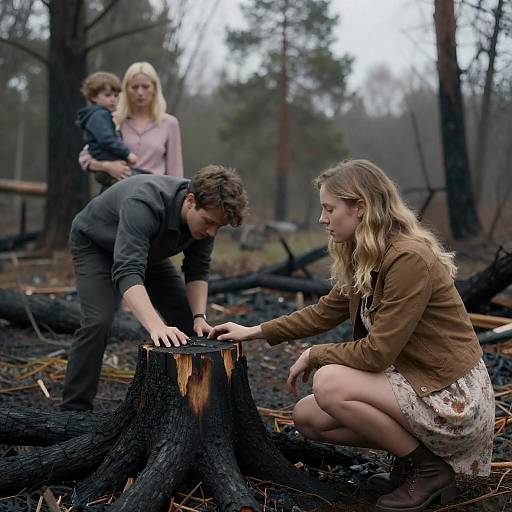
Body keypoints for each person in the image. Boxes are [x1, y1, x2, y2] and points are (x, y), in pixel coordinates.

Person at [209, 159, 494, 512]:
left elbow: (378, 354)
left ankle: (430, 470)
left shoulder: (408, 258)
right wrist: (253, 331)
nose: (322, 219)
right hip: (417, 383)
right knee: (308, 417)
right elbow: (324, 311)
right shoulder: (367, 253)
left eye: (329, 209)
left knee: (329, 383)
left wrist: (316, 355)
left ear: (360, 207)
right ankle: (412, 461)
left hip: (451, 395)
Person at [61, 165, 248, 412]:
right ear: (191, 201)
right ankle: (75, 408)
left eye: (218, 227)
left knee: (188, 323)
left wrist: (199, 317)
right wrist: (156, 326)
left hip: (146, 253)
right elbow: (127, 271)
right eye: (209, 222)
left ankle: (190, 405)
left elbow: (197, 270)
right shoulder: (144, 203)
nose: (212, 231)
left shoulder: (207, 217)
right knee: (99, 321)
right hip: (96, 245)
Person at [79, 61, 183, 186]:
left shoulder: (169, 123)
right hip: (117, 191)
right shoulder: (111, 119)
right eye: (134, 87)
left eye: (145, 87)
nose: (140, 92)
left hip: (154, 193)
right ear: (126, 90)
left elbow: (175, 172)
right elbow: (85, 158)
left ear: (154, 89)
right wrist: (108, 167)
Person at [77, 71, 138, 188]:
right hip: (109, 167)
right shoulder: (99, 116)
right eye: (108, 95)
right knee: (129, 187)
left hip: (109, 168)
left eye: (116, 96)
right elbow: (107, 139)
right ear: (93, 97)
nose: (113, 99)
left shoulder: (99, 115)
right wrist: (127, 154)